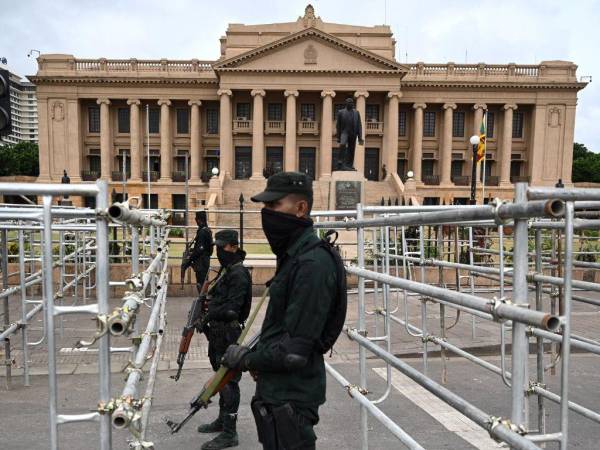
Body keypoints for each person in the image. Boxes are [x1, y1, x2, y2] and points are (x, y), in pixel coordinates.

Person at [222, 171, 338, 450]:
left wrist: (248, 360)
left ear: (301, 208)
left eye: (274, 206)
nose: (267, 213)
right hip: (279, 393)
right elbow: (283, 329)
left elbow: (294, 352)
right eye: (265, 207)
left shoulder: (312, 264)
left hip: (293, 397)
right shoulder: (295, 256)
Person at [198, 229, 252, 450]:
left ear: (233, 246)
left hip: (229, 333)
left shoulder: (239, 273)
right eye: (217, 247)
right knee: (221, 378)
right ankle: (222, 421)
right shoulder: (227, 270)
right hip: (218, 334)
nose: (218, 251)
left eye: (222, 247)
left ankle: (230, 433)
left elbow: (233, 310)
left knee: (229, 381)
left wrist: (210, 314)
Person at [335, 97, 363, 170]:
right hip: (344, 132)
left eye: (352, 103)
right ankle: (340, 162)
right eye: (349, 102)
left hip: (353, 133)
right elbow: (338, 125)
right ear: (346, 104)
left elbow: (359, 125)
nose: (351, 104)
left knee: (351, 150)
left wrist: (360, 137)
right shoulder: (341, 112)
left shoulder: (356, 113)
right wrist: (338, 137)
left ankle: (349, 165)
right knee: (342, 144)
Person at [189, 211, 213, 291]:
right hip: (205, 260)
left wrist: (190, 258)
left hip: (202, 262)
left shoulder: (203, 231)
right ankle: (203, 299)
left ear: (198, 220)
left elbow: (200, 249)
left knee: (201, 283)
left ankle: (203, 301)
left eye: (196, 219)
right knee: (203, 282)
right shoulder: (206, 230)